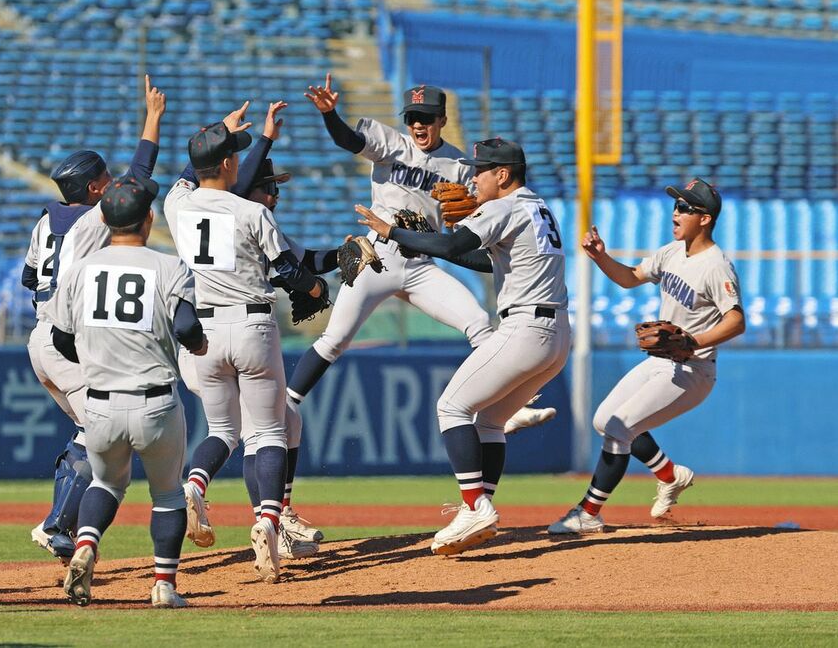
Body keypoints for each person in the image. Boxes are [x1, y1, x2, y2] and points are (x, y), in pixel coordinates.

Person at [357, 138, 570, 554]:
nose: (473, 178)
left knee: (451, 407)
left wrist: (393, 232)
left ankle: (474, 507)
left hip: (525, 326)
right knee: (489, 422)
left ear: (503, 175)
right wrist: (421, 241)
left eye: (481, 170)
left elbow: (453, 245)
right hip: (557, 334)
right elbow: (481, 260)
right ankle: (478, 508)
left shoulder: (504, 206)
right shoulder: (536, 206)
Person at [164, 108, 327, 583]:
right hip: (252, 326)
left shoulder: (178, 205)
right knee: (272, 432)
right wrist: (317, 289)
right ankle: (269, 523)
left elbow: (186, 172)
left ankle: (196, 486)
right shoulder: (253, 211)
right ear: (232, 166)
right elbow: (290, 273)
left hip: (204, 335)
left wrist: (220, 131)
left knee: (221, 430)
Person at [548, 178, 744, 534]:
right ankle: (671, 475)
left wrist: (692, 340)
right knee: (604, 420)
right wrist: (600, 257)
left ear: (705, 218)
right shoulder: (670, 251)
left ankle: (588, 512)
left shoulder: (717, 265)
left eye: (685, 207)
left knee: (620, 429)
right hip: (660, 362)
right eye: (676, 205)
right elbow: (631, 278)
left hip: (693, 370)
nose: (676, 212)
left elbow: (736, 321)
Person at [23, 76, 165, 562]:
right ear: (92, 188)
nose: (112, 186)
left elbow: (29, 279)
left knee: (95, 429)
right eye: (104, 181)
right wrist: (152, 119)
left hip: (44, 336)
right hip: (64, 343)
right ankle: (57, 524)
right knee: (102, 430)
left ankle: (65, 533)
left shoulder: (46, 222)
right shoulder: (89, 221)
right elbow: (141, 178)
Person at [48, 174, 206, 608]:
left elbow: (62, 339)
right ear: (148, 219)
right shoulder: (169, 266)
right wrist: (197, 344)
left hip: (99, 403)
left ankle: (86, 546)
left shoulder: (81, 270)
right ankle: (163, 586)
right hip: (154, 401)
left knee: (106, 483)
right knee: (169, 494)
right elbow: (188, 325)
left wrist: (95, 355)